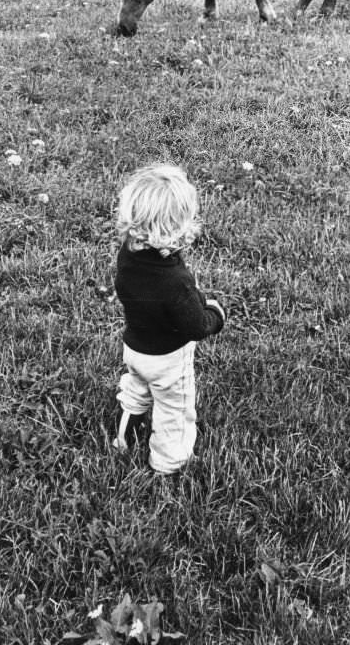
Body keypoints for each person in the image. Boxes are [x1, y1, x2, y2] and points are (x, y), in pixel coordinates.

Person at [113, 163, 225, 474]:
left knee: (136, 389)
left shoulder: (128, 256)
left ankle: (124, 438)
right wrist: (215, 313)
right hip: (167, 359)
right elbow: (195, 326)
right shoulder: (175, 281)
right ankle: (168, 464)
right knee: (174, 409)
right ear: (173, 228)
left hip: (135, 348)